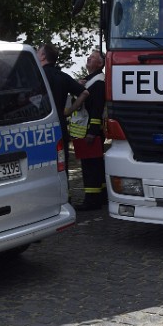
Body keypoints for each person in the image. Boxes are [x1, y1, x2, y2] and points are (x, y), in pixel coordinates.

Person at [37, 43, 87, 169]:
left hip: (40, 127)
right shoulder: (63, 76)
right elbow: (84, 93)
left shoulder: (37, 76)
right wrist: (69, 111)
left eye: (38, 52)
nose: (36, 54)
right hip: (60, 123)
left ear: (43, 56)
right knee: (61, 164)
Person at [68, 51, 107, 210]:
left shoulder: (98, 82)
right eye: (89, 56)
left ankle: (92, 201)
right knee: (95, 165)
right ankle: (102, 197)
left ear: (100, 64)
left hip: (90, 132)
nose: (88, 58)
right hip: (89, 130)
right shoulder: (91, 80)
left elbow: (97, 109)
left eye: (93, 57)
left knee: (90, 167)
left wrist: (92, 131)